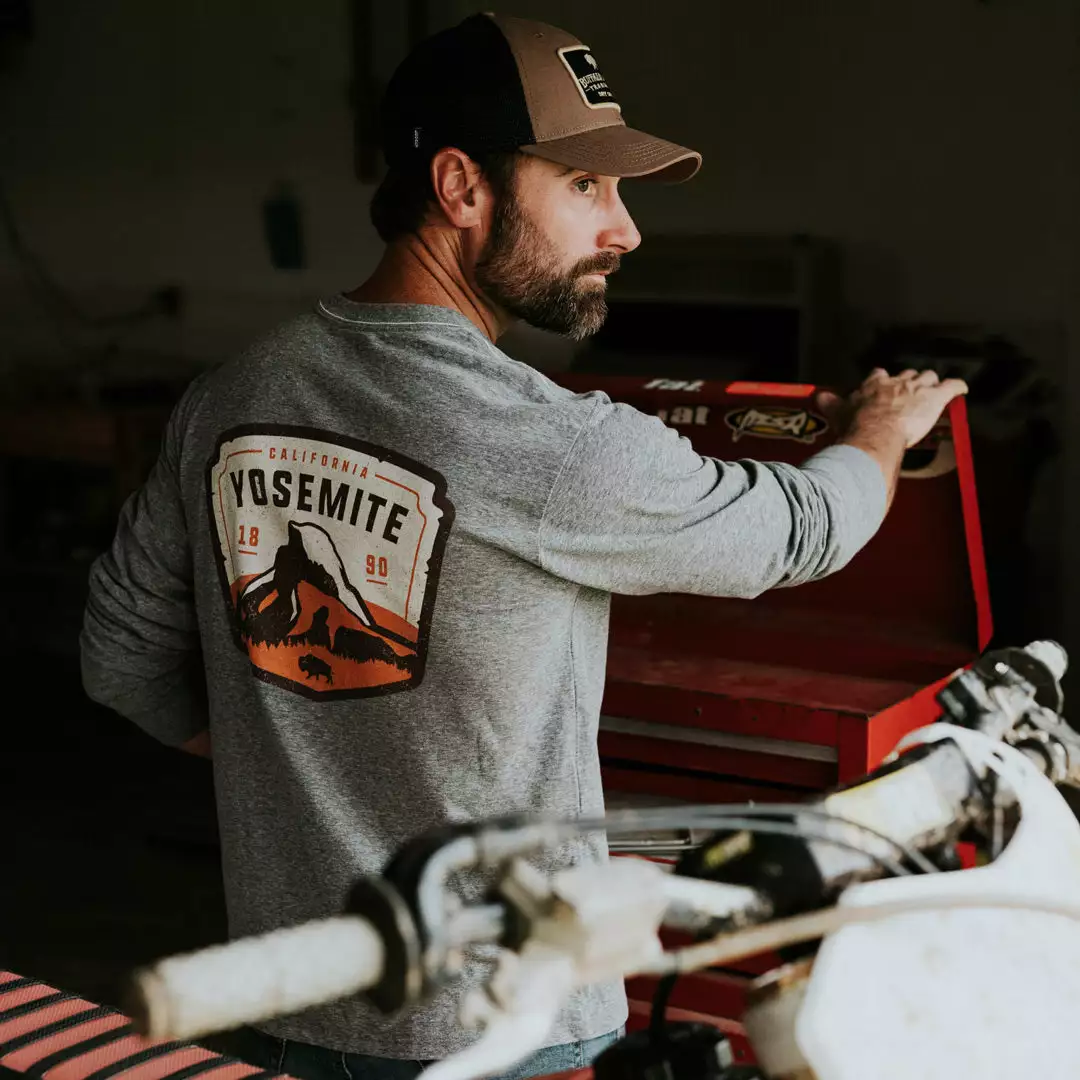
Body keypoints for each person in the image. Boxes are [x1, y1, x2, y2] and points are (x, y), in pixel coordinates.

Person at [80, 12, 966, 1080]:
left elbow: (118, 658)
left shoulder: (228, 397)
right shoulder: (552, 444)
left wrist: (296, 771)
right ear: (461, 189)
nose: (625, 228)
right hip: (502, 1031)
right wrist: (878, 432)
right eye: (586, 186)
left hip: (285, 1003)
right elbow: (802, 531)